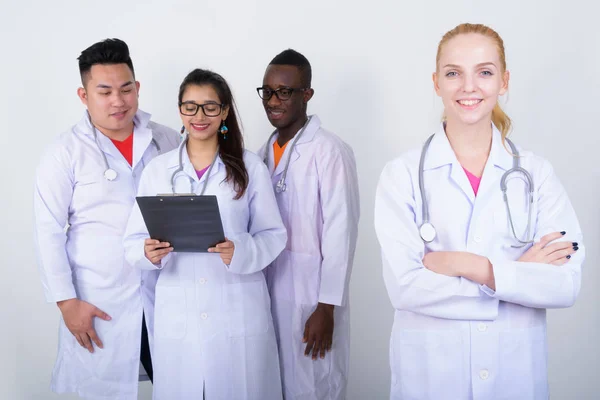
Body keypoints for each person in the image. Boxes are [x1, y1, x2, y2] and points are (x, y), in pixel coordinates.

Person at [374, 23, 585, 400]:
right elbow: (405, 288)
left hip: (514, 375)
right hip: (432, 377)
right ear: (436, 83)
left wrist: (472, 267)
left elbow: (566, 283)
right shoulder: (402, 175)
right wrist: (517, 278)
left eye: (484, 72)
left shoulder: (537, 175)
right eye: (454, 73)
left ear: (503, 82)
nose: (468, 87)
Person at [123, 68, 286, 399]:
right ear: (180, 110)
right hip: (179, 316)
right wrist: (147, 252)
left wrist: (239, 251)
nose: (200, 116)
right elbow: (130, 243)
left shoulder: (249, 167)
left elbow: (274, 234)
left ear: (224, 111)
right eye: (190, 106)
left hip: (237, 309)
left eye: (210, 107)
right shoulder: (158, 170)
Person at [33, 38, 180, 399]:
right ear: (84, 96)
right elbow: (47, 231)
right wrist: (67, 304)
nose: (118, 101)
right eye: (104, 91)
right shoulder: (63, 153)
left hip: (168, 293)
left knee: (178, 384)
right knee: (103, 389)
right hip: (99, 300)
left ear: (137, 88)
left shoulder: (167, 140)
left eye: (126, 88)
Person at [257, 49, 360, 400]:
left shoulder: (329, 150)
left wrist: (327, 307)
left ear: (306, 94)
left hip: (313, 300)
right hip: (270, 295)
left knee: (314, 387)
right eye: (268, 91)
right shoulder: (261, 154)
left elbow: (341, 231)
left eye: (284, 91)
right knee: (276, 384)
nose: (274, 100)